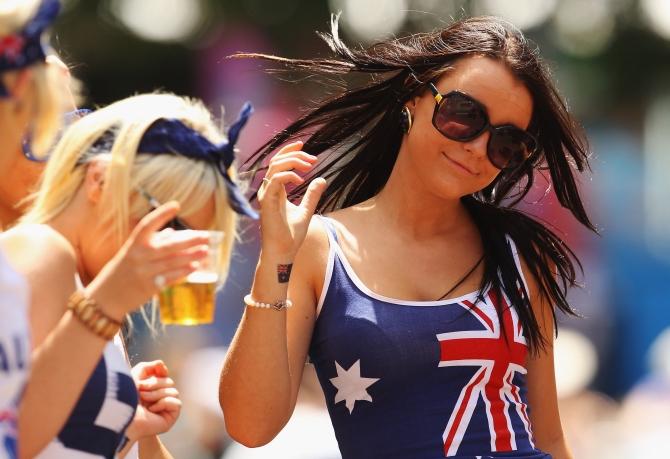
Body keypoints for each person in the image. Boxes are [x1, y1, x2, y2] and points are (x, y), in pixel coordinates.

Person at [219, 15, 597, 459]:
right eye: (464, 115)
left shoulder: (519, 255)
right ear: (414, 99)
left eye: (507, 142)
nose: (478, 147)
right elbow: (250, 426)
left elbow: (549, 438)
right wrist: (274, 262)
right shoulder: (318, 248)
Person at [1, 92, 256, 458]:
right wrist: (105, 306)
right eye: (171, 225)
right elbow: (11, 439)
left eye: (196, 241)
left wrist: (134, 430)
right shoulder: (43, 252)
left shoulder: (92, 302)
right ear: (100, 180)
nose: (177, 252)